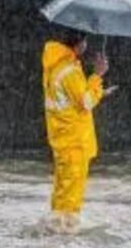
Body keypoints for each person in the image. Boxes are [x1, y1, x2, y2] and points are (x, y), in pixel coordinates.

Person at [41, 28, 111, 232]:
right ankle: (67, 235)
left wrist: (98, 90)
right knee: (71, 197)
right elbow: (86, 102)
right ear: (79, 43)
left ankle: (54, 232)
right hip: (74, 141)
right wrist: (97, 76)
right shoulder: (70, 71)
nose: (87, 45)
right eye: (85, 41)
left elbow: (71, 100)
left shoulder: (55, 66)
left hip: (62, 139)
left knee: (61, 193)